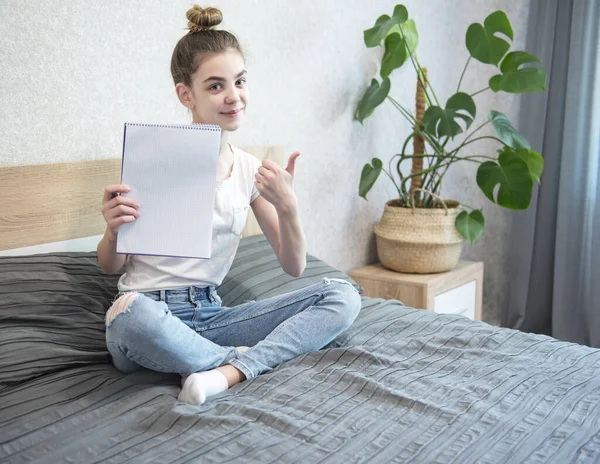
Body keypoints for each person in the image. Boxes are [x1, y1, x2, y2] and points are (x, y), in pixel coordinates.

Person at [98, 4, 361, 405]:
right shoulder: (152, 158)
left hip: (212, 316)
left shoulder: (250, 170)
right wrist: (113, 229)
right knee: (128, 314)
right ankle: (236, 365)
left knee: (343, 296)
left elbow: (294, 266)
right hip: (151, 312)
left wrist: (289, 207)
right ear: (186, 94)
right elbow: (110, 266)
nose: (233, 96)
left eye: (239, 81)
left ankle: (223, 372)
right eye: (216, 85)